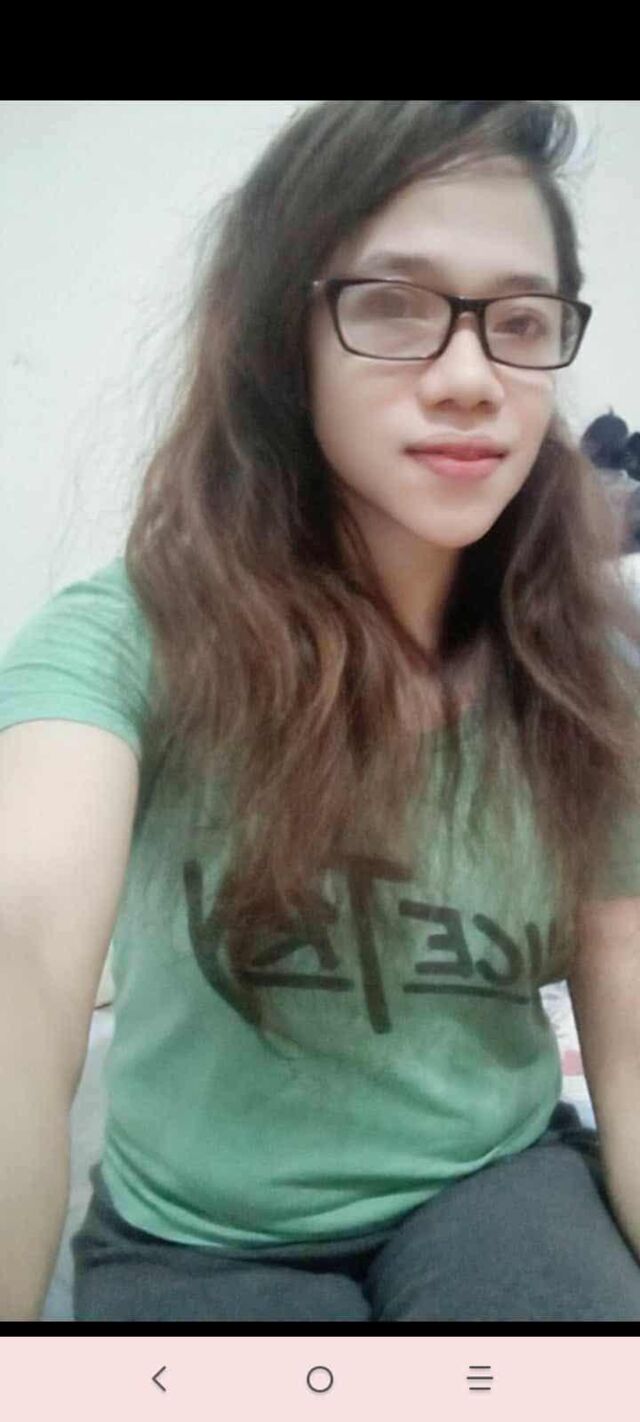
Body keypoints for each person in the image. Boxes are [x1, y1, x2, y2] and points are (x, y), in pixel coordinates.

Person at [3, 100, 640, 1324]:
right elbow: (20, 957)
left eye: (519, 321)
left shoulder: (586, 675)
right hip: (199, 1233)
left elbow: (627, 996)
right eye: (393, 305)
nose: (471, 380)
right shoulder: (128, 640)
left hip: (492, 1180)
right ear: (277, 336)